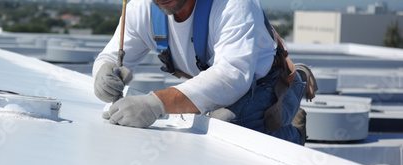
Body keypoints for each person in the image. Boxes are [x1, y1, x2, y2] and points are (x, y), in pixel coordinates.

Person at [92, 0, 308, 145]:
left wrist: (155, 104)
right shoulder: (141, 10)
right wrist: (103, 74)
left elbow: (231, 76)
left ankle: (293, 134)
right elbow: (110, 58)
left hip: (271, 82)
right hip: (225, 86)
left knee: (225, 126)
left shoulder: (233, 4)